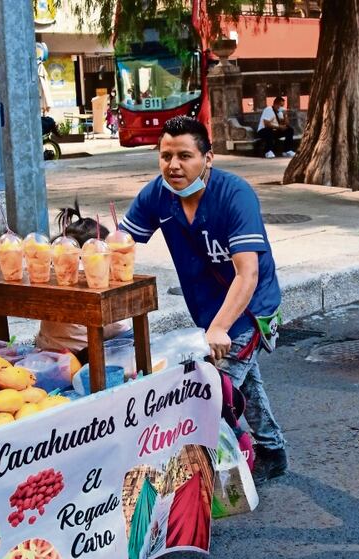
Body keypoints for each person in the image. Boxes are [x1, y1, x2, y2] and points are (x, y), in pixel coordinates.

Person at [119, 116, 288, 485]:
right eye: (165, 156)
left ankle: (201, 478)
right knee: (244, 383)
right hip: (208, 311)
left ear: (207, 158)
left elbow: (248, 274)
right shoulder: (158, 195)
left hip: (248, 309)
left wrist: (220, 328)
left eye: (185, 156)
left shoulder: (234, 195)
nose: (173, 166)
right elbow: (120, 244)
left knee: (212, 394)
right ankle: (272, 450)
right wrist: (85, 246)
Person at [36, 211, 131, 359]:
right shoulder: (91, 270)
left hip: (47, 346)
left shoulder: (53, 267)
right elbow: (116, 326)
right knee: (132, 337)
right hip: (82, 352)